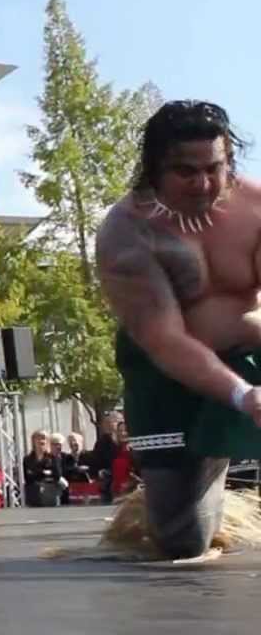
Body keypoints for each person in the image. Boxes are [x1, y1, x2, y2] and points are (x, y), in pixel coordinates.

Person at [95, 100, 261, 560]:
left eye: (215, 168)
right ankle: (207, 462)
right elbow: (166, 341)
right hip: (165, 372)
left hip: (249, 347)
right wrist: (242, 396)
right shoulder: (126, 233)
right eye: (186, 172)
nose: (204, 184)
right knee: (181, 541)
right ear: (154, 169)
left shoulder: (256, 208)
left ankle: (222, 440)